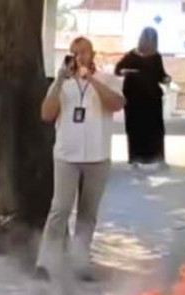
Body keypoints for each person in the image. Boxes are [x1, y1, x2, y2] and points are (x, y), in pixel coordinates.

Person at [37, 37, 125, 281]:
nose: (80, 57)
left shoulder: (106, 79)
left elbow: (117, 104)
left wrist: (92, 79)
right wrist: (58, 81)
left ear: (93, 53)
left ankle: (80, 261)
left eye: (84, 52)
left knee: (88, 213)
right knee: (60, 208)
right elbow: (46, 114)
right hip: (67, 155)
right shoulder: (62, 84)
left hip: (98, 155)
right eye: (75, 53)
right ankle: (45, 262)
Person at [115, 27, 171, 169]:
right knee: (134, 129)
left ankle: (158, 158)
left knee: (156, 129)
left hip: (152, 99)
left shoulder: (156, 57)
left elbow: (160, 75)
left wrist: (166, 78)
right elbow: (118, 70)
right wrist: (125, 71)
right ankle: (134, 159)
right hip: (134, 99)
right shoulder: (131, 55)